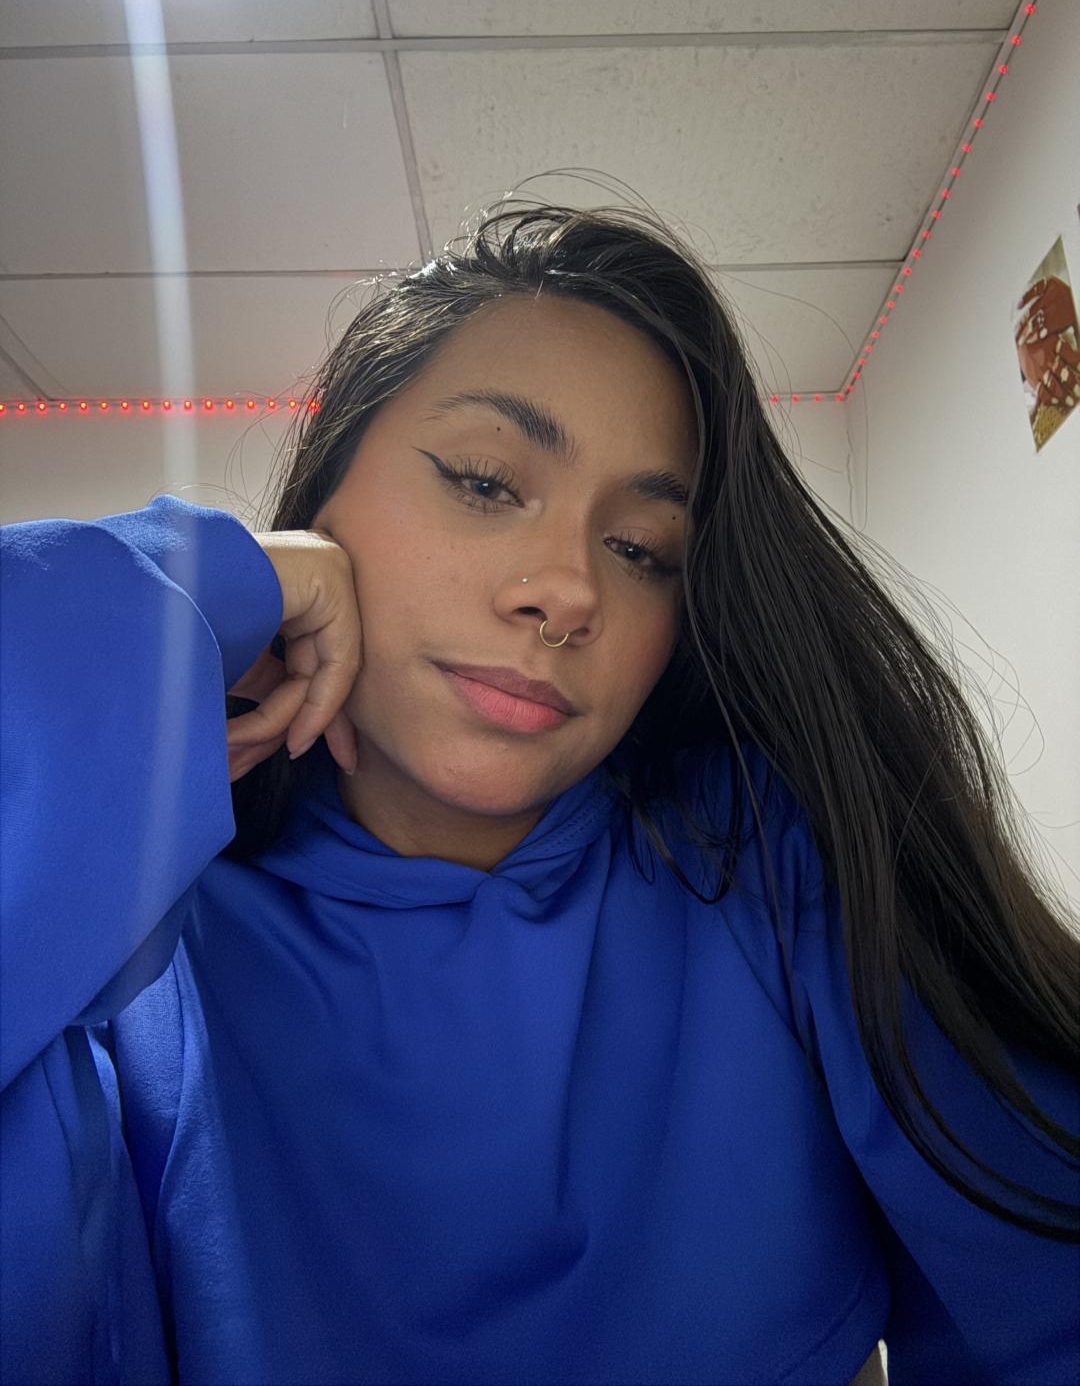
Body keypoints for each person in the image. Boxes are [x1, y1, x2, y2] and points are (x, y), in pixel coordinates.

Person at [1, 195, 1076, 1386]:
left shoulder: (774, 865)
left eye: (642, 551)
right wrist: (208, 591)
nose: (569, 590)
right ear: (325, 498)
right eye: (484, 481)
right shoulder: (141, 940)